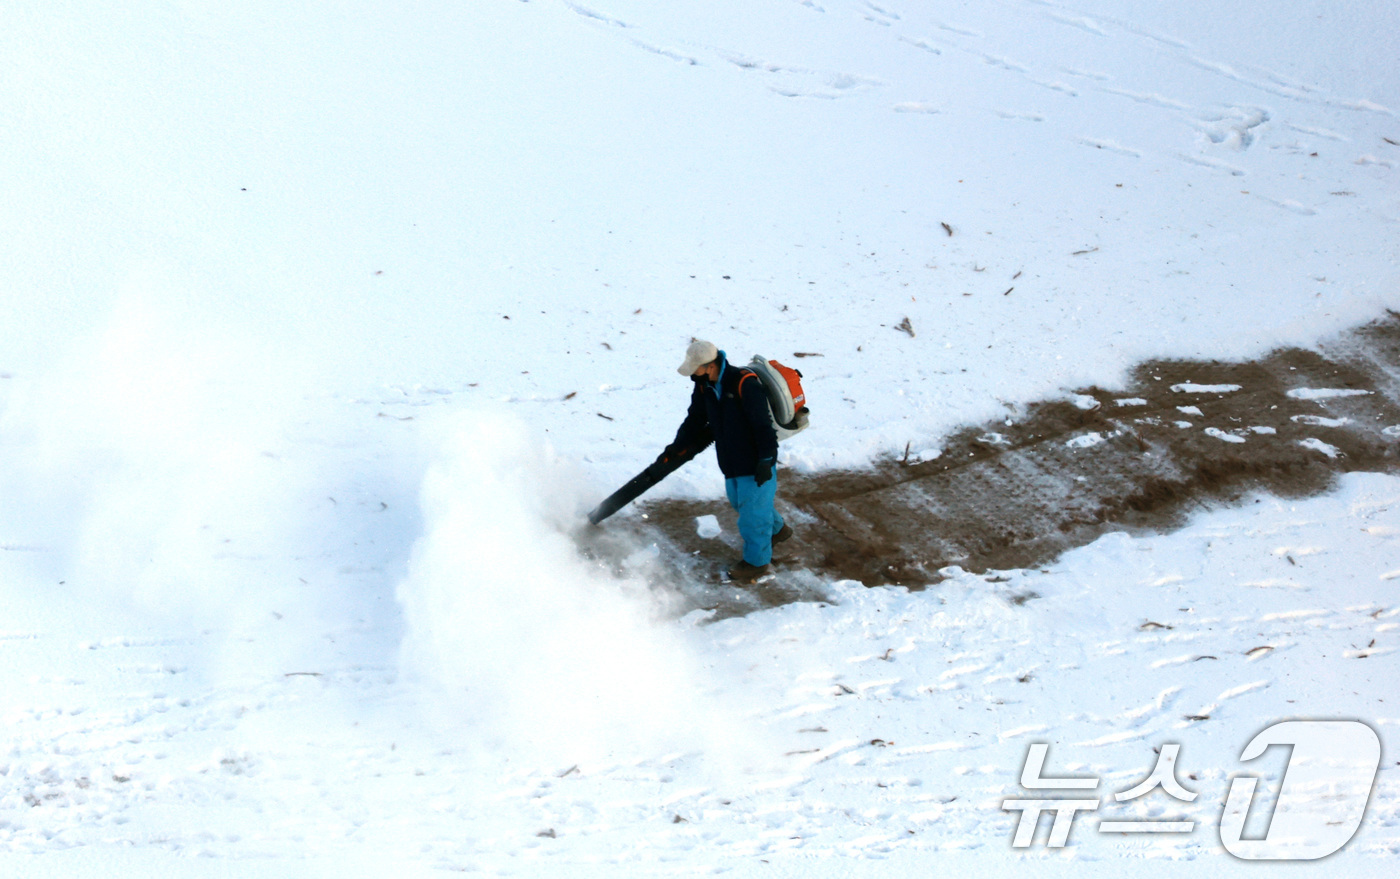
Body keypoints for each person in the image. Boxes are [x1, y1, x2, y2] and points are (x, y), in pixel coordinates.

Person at [660, 339, 794, 583]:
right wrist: (675, 448)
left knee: (752, 516)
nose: (692, 373)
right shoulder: (705, 387)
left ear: (709, 365)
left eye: (695, 368)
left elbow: (763, 426)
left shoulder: (745, 384)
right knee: (741, 503)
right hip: (731, 459)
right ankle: (777, 530)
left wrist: (766, 459)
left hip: (755, 460)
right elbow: (694, 420)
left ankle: (757, 564)